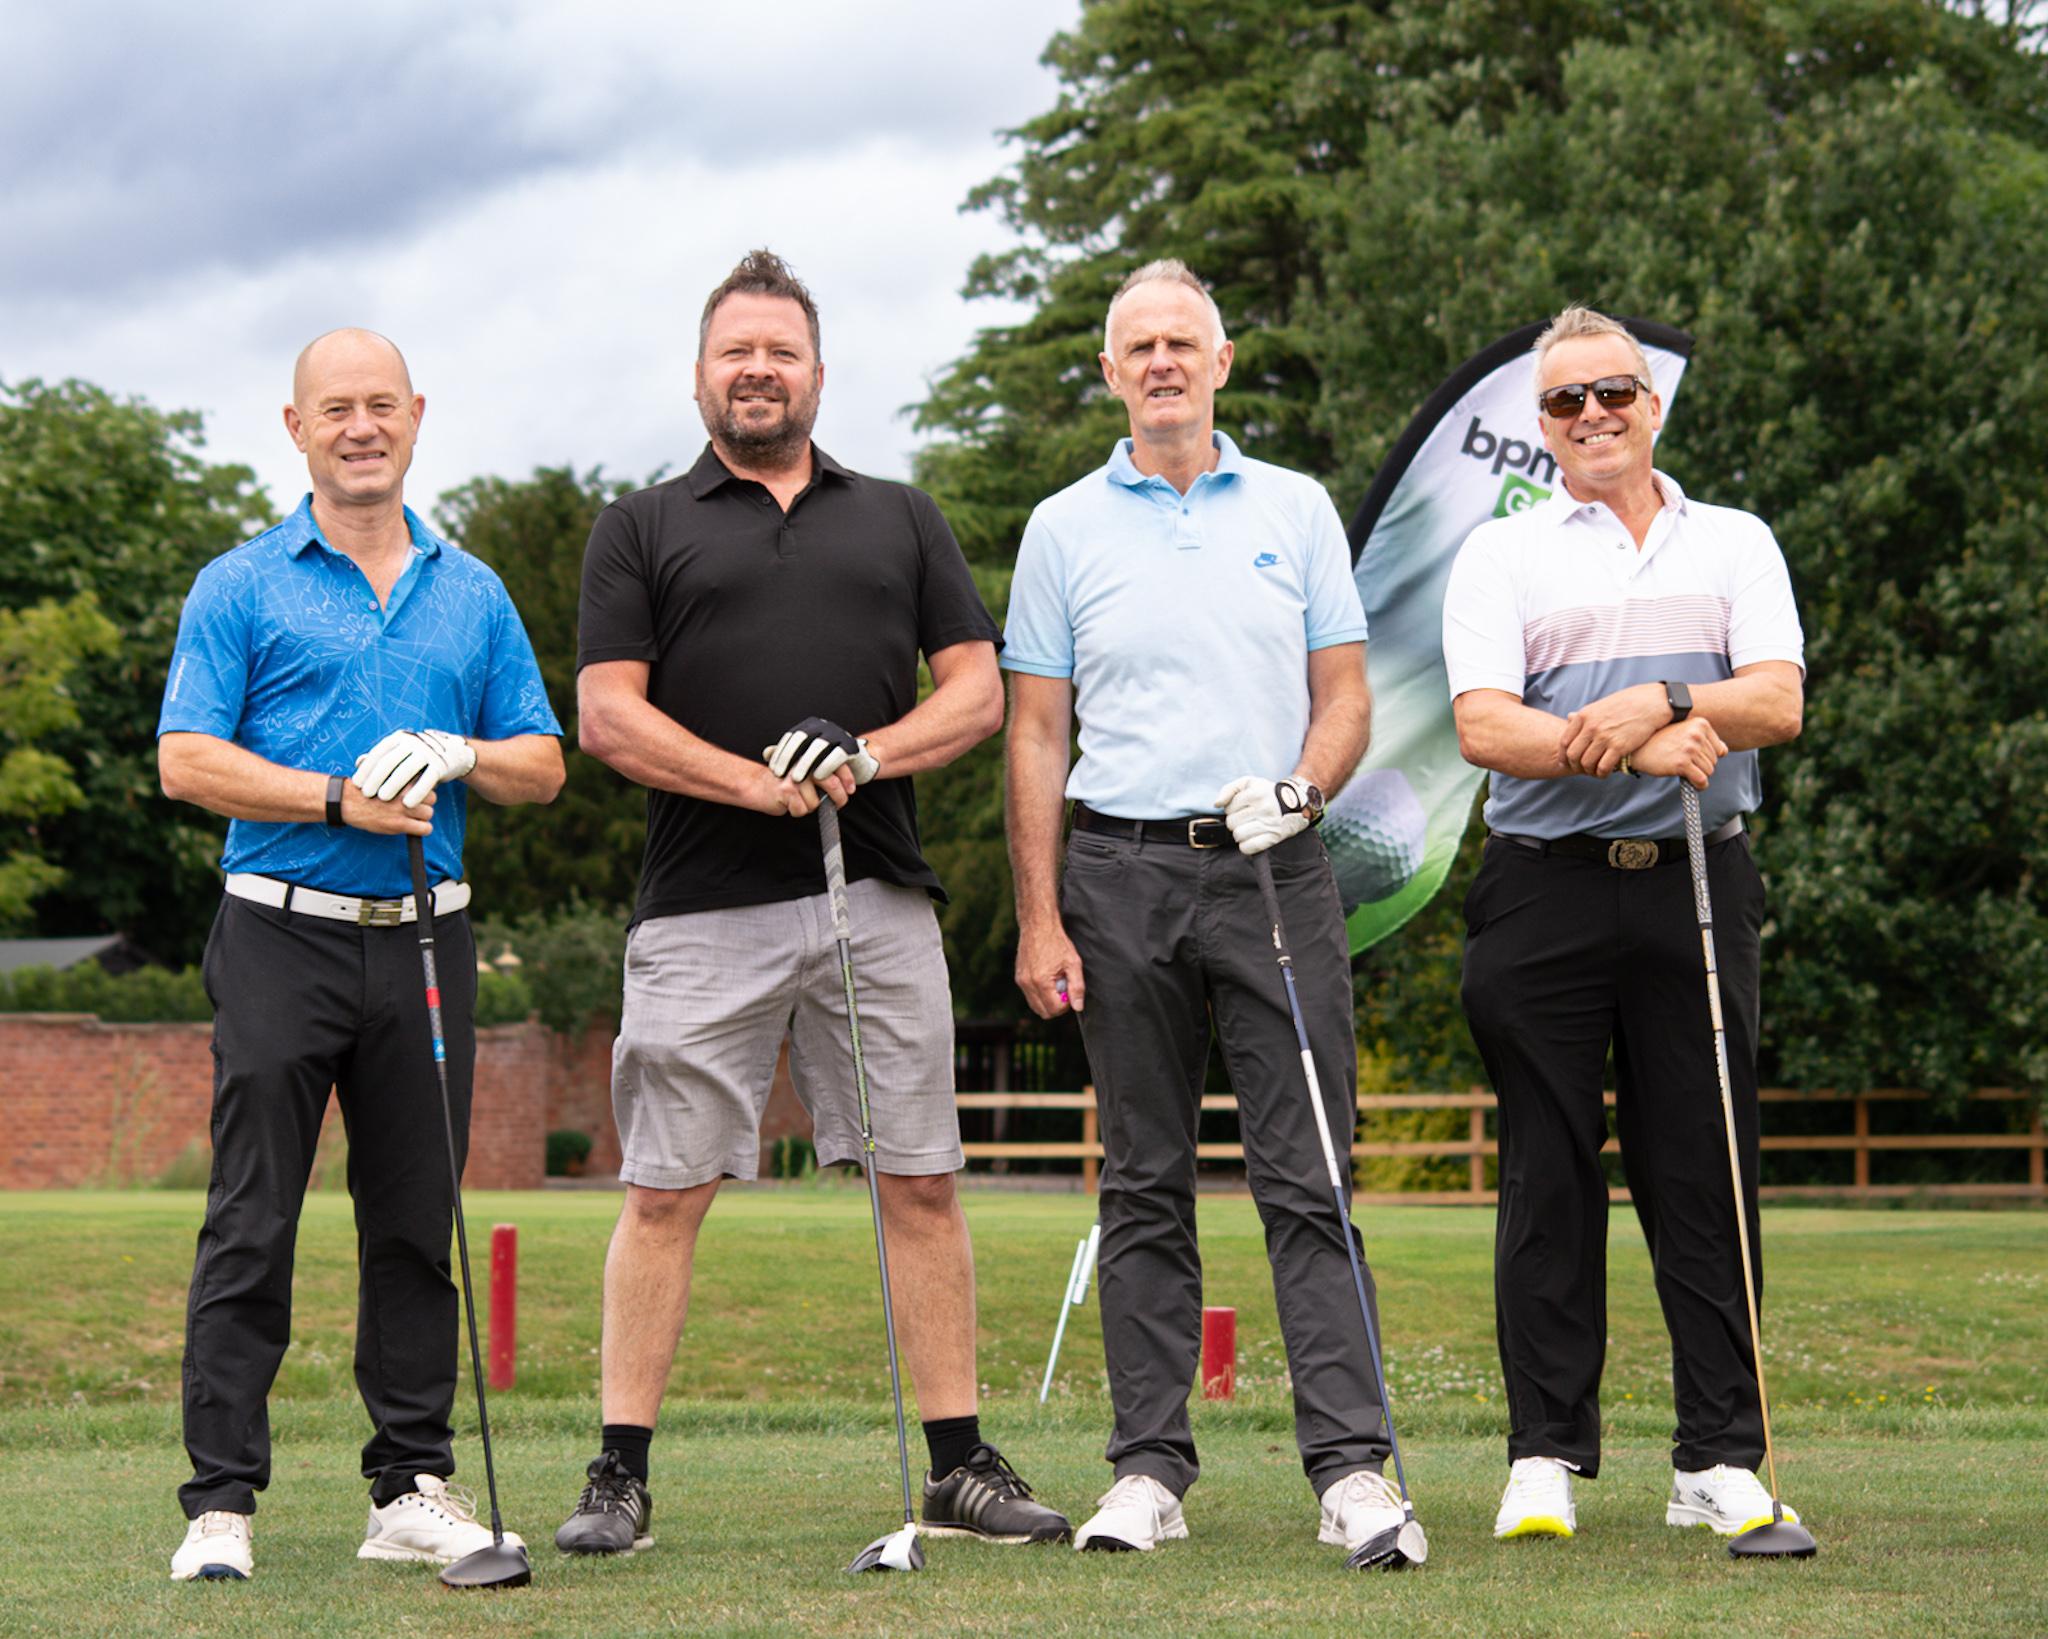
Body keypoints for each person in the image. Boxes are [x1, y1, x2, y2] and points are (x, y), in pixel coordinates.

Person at [557, 249, 1069, 1554]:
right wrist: (754, 781)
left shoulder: (899, 517)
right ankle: (619, 1473)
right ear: (699, 376)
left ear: (818, 375)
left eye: (780, 351)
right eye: (736, 351)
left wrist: (864, 756)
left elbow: (976, 691)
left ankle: (957, 1464)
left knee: (921, 1178)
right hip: (697, 908)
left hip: (875, 897)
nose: (758, 371)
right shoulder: (639, 526)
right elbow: (607, 714)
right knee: (664, 1188)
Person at [1003, 258, 1423, 1564]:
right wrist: (1037, 916)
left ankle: (1351, 1469)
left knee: (1309, 1176)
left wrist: (1304, 787)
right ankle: (1147, 1469)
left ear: (1221, 361)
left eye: (1183, 341)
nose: (1163, 361)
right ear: (1110, 372)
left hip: (1272, 868)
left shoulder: (1295, 507)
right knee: (1141, 1180)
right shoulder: (1061, 527)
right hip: (1117, 872)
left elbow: (1344, 696)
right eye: (1140, 345)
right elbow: (1034, 732)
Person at [156, 328, 565, 1581]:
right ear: (297, 428)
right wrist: (337, 796)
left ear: (416, 415)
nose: (360, 427)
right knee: (251, 1220)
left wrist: (460, 752)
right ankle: (220, 1503)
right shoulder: (240, 583)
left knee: (412, 1225)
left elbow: (543, 763)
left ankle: (409, 1488)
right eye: (334, 408)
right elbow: (186, 759)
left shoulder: (472, 590)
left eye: (380, 404)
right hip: (278, 929)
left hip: (426, 937)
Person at [1442, 304, 1806, 1544]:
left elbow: (1775, 701)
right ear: (1540, 426)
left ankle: (1718, 1456)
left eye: (1611, 393)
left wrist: (1659, 696)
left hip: (1695, 875)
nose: (1591, 414)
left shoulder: (1735, 539)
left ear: (1651, 405)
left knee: (1701, 1169)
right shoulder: (1503, 553)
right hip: (1540, 886)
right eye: (1564, 401)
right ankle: (1543, 1452)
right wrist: (1638, 740)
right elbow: (1483, 725)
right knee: (1548, 1173)